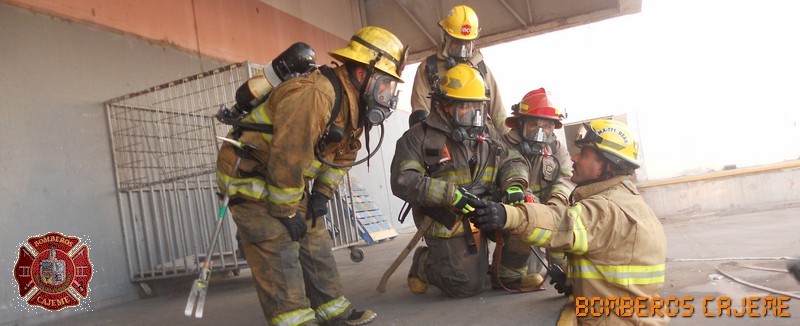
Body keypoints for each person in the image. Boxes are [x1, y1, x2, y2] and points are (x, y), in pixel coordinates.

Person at [216, 26, 407, 326]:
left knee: (314, 235)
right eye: (385, 84)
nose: (387, 94)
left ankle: (332, 311)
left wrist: (321, 194)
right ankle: (294, 320)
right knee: (277, 242)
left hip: (282, 178)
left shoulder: (352, 103)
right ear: (362, 74)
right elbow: (289, 153)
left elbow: (343, 154)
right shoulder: (317, 94)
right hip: (249, 174)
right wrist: (285, 210)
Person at [468, 119, 668, 325]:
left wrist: (507, 215)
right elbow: (612, 270)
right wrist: (575, 283)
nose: (574, 157)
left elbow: (559, 224)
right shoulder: (626, 200)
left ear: (607, 165)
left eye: (584, 154)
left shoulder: (606, 209)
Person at [390, 63, 530, 298]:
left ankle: (507, 275)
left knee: (527, 210)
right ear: (444, 105)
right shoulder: (417, 138)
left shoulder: (487, 132)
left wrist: (515, 185)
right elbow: (403, 180)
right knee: (465, 285)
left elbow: (513, 159)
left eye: (477, 106)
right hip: (448, 219)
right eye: (465, 106)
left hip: (487, 211)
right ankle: (424, 263)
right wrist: (450, 195)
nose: (474, 113)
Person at [500, 88, 575, 285]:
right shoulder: (504, 145)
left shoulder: (557, 149)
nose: (541, 131)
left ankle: (560, 264)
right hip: (511, 206)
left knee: (563, 213)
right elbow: (510, 172)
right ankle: (510, 276)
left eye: (547, 126)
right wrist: (523, 197)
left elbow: (566, 178)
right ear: (521, 123)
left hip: (546, 208)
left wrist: (557, 201)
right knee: (522, 219)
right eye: (534, 123)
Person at [408, 4, 508, 133]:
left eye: (467, 43)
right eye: (457, 42)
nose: (463, 49)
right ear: (446, 37)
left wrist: (509, 145)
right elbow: (420, 111)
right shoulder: (428, 68)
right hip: (443, 137)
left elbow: (498, 113)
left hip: (477, 140)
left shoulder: (482, 70)